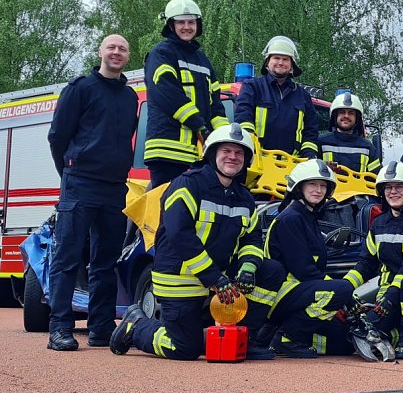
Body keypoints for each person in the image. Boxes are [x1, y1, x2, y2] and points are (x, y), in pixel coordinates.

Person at [110, 124, 284, 360]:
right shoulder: (187, 185)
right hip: (180, 277)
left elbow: (251, 240)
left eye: (239, 153)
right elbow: (180, 236)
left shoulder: (244, 197)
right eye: (226, 151)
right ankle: (138, 326)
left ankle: (245, 338)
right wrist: (214, 278)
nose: (233, 157)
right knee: (184, 349)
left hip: (219, 276)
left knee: (271, 271)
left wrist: (248, 268)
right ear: (212, 154)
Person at [45, 34, 139, 351]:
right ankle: (59, 327)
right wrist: (70, 171)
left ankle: (100, 327)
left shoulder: (129, 98)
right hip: (80, 182)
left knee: (105, 261)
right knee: (68, 257)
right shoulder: (80, 89)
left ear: (127, 56)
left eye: (122, 49)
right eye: (111, 47)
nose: (116, 52)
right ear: (100, 52)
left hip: (114, 187)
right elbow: (58, 136)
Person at [343, 161, 403, 359]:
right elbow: (366, 263)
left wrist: (390, 296)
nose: (393, 192)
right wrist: (343, 289)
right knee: (364, 332)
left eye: (399, 187)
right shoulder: (379, 223)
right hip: (387, 295)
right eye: (388, 187)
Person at [263, 159, 355, 358]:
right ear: (299, 187)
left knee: (344, 343)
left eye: (323, 185)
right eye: (312, 184)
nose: (318, 190)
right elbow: (304, 270)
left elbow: (313, 271)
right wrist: (342, 298)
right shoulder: (291, 218)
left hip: (297, 292)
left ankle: (276, 335)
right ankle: (288, 337)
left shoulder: (307, 216)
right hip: (281, 292)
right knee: (345, 289)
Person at [143, 0, 229, 187]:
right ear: (171, 25)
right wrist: (200, 125)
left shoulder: (203, 60)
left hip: (198, 154)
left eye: (191, 22)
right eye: (181, 22)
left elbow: (215, 105)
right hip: (167, 151)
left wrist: (223, 135)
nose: (187, 27)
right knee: (166, 210)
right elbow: (167, 95)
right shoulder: (161, 54)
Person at [235, 36, 319, 158]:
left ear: (292, 65)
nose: (280, 62)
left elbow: (311, 131)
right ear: (267, 62)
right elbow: (243, 115)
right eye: (276, 58)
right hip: (258, 159)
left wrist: (309, 155)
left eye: (285, 59)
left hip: (293, 164)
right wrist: (250, 141)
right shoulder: (252, 86)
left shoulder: (303, 96)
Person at [317, 90, 381, 174]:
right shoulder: (320, 142)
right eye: (342, 112)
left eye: (351, 113)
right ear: (335, 116)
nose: (346, 116)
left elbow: (376, 177)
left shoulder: (368, 147)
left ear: (357, 118)